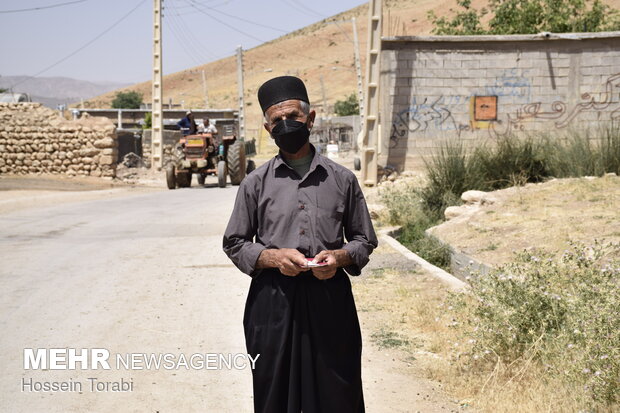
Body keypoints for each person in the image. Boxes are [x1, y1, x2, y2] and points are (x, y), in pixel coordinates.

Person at [222, 76, 377, 413]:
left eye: (292, 116)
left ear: (311, 118)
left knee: (339, 392)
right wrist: (272, 257)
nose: (285, 124)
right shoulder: (254, 183)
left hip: (330, 299)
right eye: (276, 120)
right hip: (273, 305)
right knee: (275, 395)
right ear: (267, 128)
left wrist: (338, 257)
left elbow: (365, 239)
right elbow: (234, 242)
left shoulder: (342, 179)